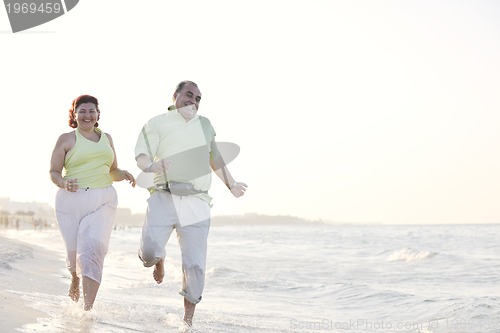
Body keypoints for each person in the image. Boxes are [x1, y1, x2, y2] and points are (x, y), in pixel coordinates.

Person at [135, 80, 247, 326]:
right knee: (149, 252)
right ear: (175, 95)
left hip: (196, 200)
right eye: (189, 95)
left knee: (195, 264)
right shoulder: (157, 123)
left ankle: (187, 323)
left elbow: (214, 157)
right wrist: (151, 166)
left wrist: (232, 184)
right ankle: (159, 261)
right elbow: (142, 154)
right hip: (163, 196)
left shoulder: (205, 125)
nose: (193, 101)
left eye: (198, 98)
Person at [49, 94, 136, 311]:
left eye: (91, 111)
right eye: (82, 111)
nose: (87, 115)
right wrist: (62, 183)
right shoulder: (66, 139)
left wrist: (123, 173)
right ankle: (74, 278)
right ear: (75, 114)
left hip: (103, 198)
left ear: (98, 114)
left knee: (93, 250)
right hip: (71, 200)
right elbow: (53, 171)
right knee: (73, 251)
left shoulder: (107, 138)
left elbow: (112, 171)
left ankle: (87, 310)